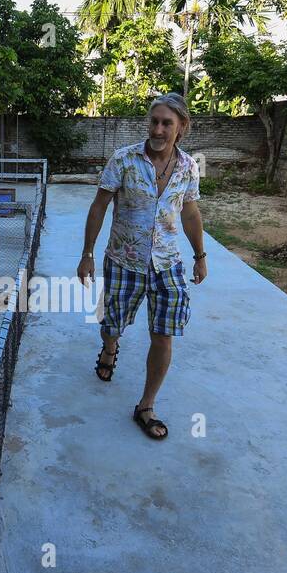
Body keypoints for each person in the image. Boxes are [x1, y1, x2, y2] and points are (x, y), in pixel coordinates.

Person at [76, 92, 207, 441]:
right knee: (111, 323)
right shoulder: (124, 160)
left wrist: (200, 256)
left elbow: (190, 212)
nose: (159, 129)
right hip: (123, 261)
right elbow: (99, 207)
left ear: (181, 128)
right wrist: (87, 253)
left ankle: (146, 405)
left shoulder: (189, 167)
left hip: (168, 264)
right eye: (155, 121)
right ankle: (109, 347)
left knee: (163, 335)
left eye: (167, 123)